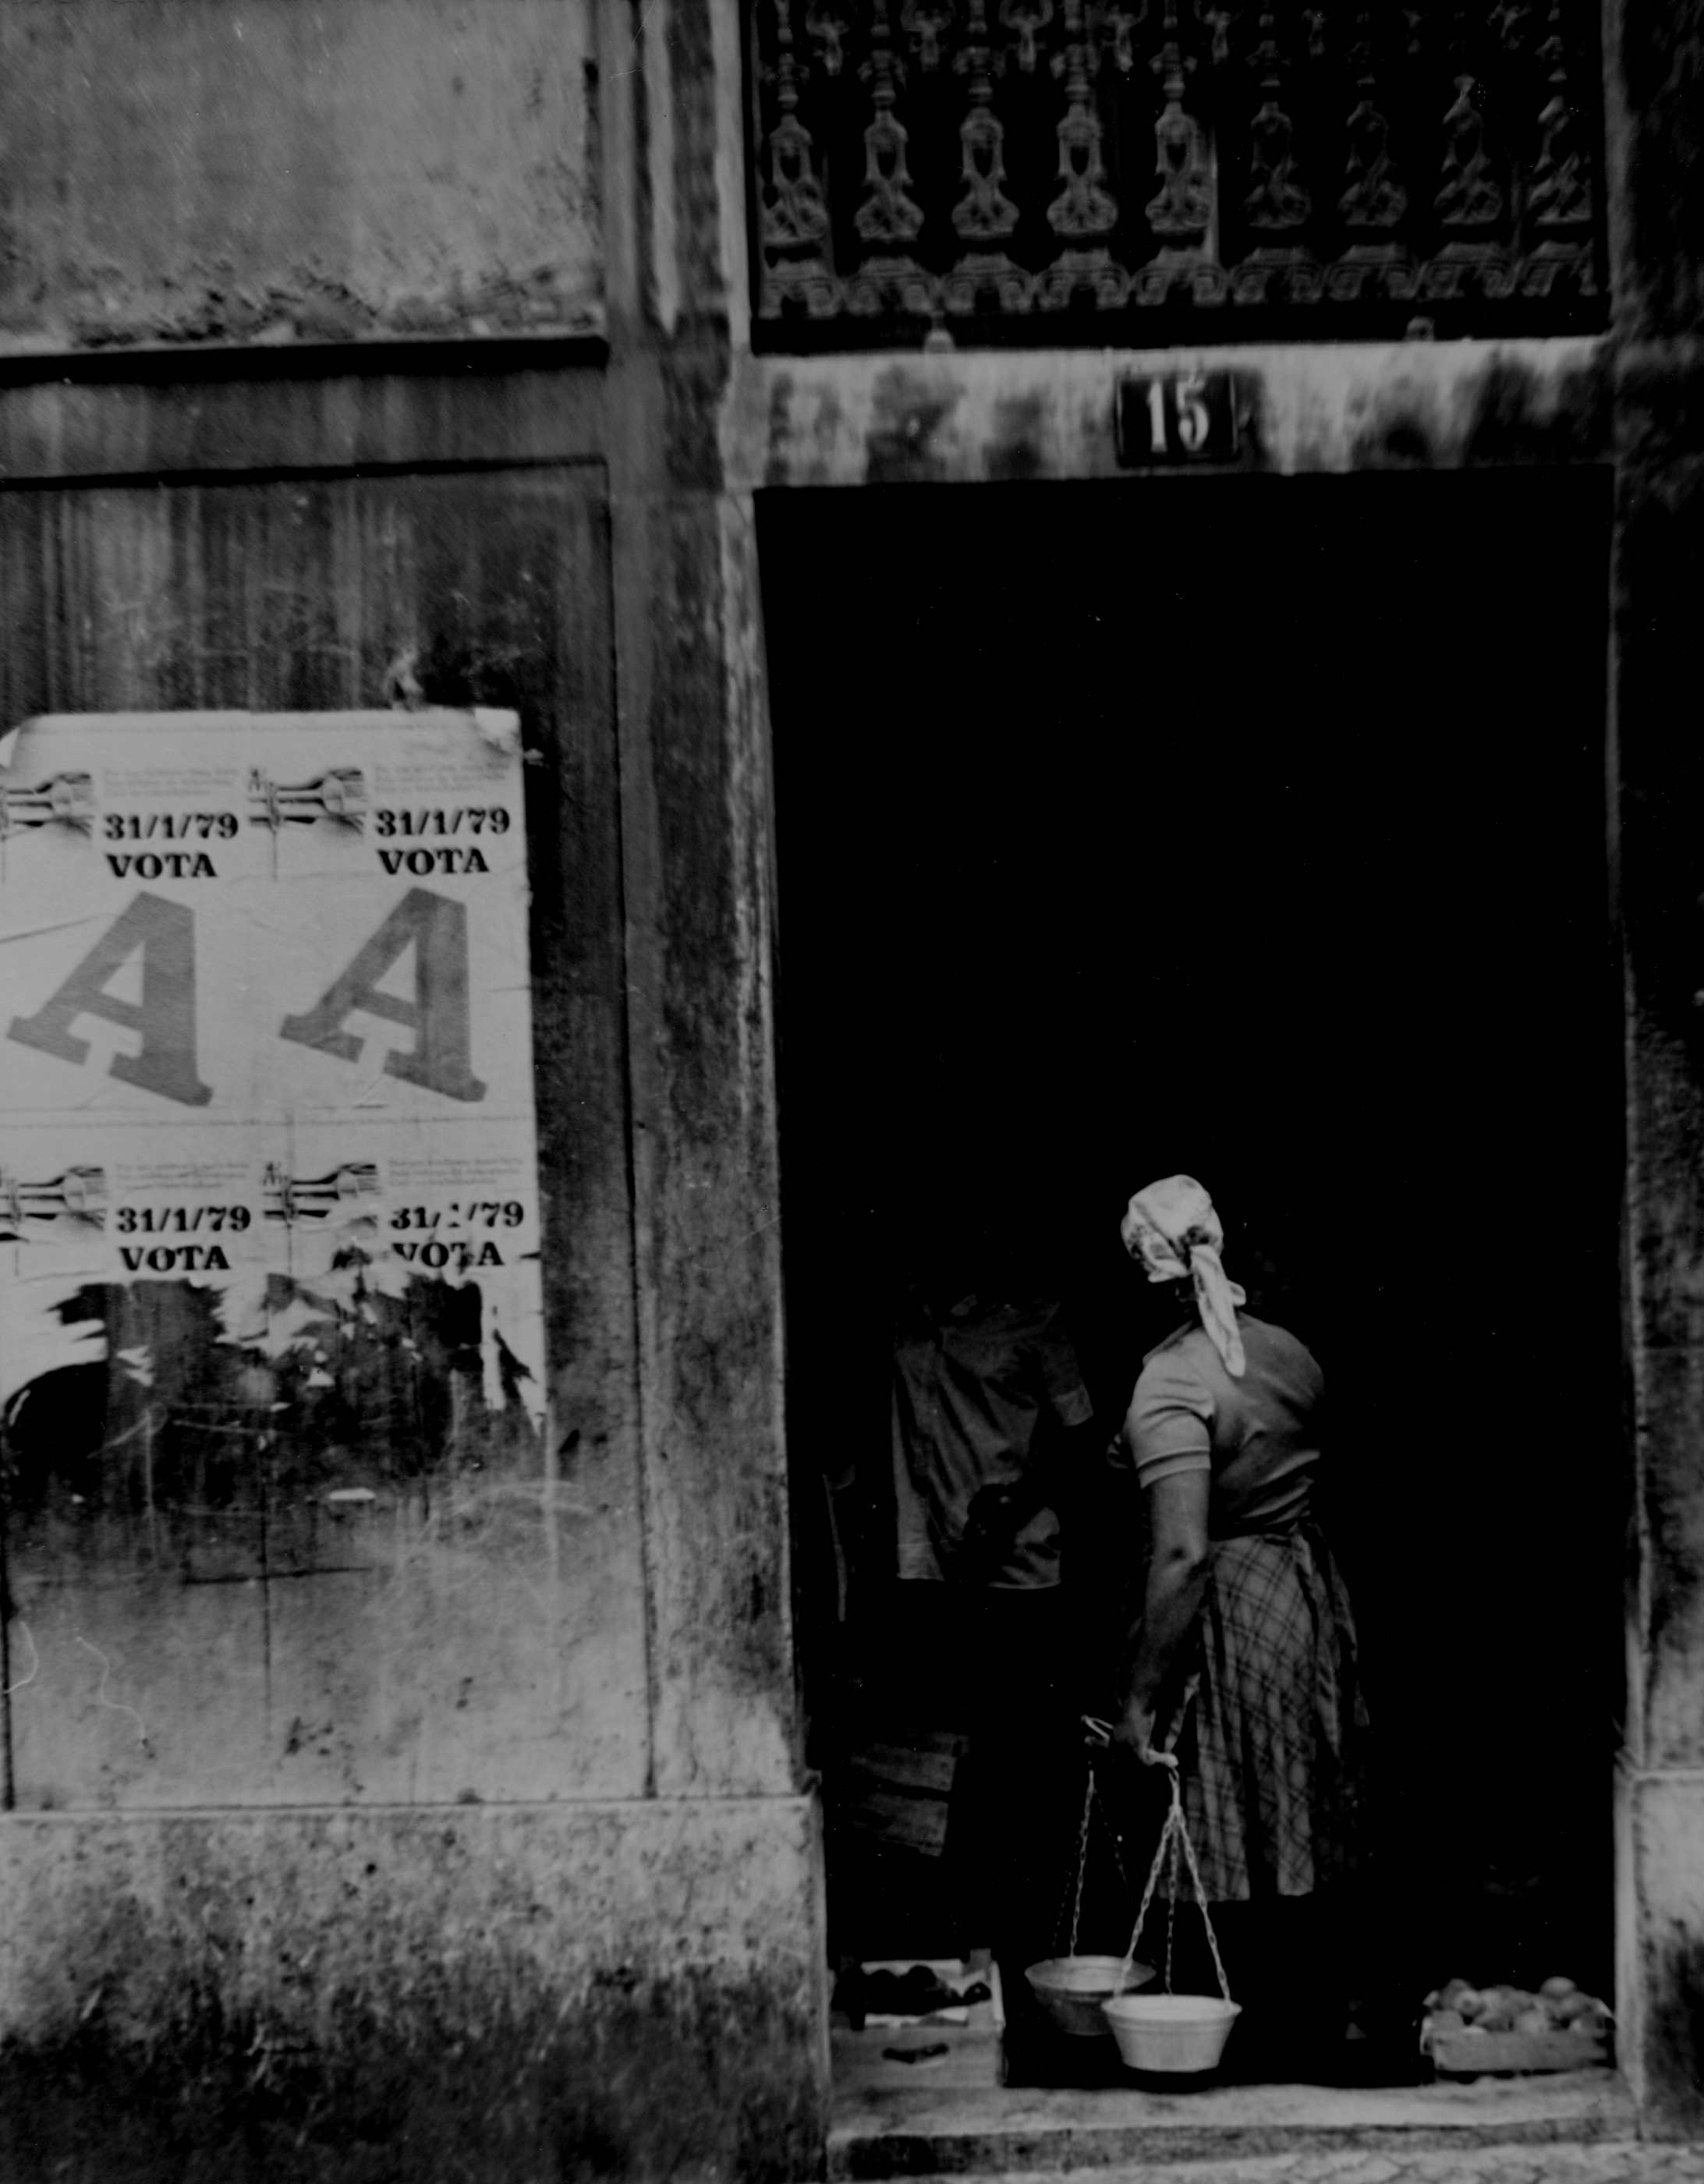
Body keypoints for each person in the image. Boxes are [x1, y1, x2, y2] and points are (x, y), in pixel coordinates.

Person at [1087, 1174, 1368, 2075]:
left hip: (1227, 1609)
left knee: (1218, 1815)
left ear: (1142, 1281)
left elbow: (1182, 1554)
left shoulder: (1170, 1379)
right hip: (1298, 1594)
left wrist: (1135, 1705)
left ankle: (1227, 2041)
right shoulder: (1287, 1351)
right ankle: (1303, 2024)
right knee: (1290, 1808)